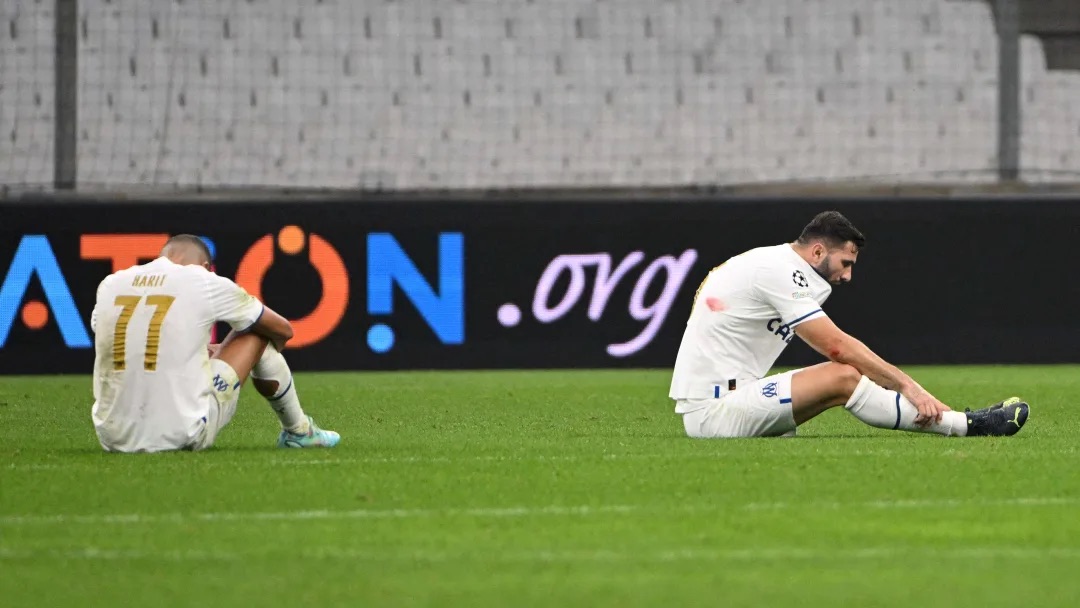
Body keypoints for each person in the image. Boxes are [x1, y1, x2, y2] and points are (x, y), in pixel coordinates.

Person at [669, 211, 1029, 439]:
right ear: (818, 252)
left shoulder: (773, 264)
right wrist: (910, 387)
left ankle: (956, 419)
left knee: (837, 379)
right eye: (845, 262)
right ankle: (965, 425)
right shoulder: (775, 270)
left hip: (730, 398)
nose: (848, 275)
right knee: (841, 375)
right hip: (713, 413)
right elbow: (837, 347)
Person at [89, 234, 340, 453]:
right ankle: (300, 432)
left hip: (112, 437)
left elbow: (117, 336)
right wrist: (225, 352)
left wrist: (194, 352)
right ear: (207, 266)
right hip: (179, 435)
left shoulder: (112, 283)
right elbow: (282, 329)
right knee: (257, 331)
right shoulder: (203, 280)